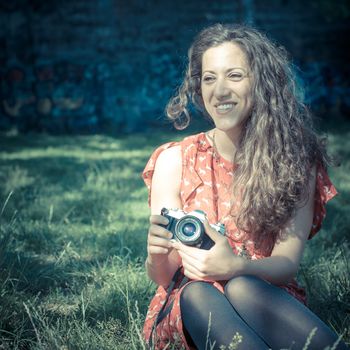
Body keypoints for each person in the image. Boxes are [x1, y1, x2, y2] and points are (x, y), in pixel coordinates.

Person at [142, 24, 348, 350]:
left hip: (263, 292)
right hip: (193, 302)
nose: (220, 90)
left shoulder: (296, 161)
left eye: (234, 76)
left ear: (262, 83)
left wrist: (236, 267)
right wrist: (156, 255)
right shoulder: (174, 160)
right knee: (196, 292)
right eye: (209, 78)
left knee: (242, 286)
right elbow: (165, 276)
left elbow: (285, 264)